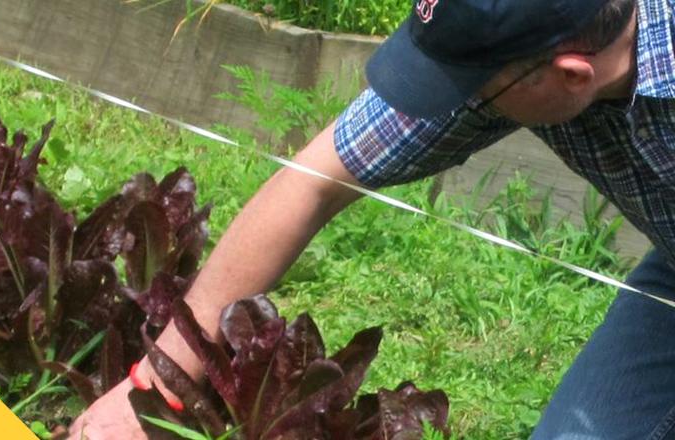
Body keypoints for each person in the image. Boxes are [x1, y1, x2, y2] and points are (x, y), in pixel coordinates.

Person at [69, 0, 675, 437]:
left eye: (471, 86)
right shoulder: (517, 59)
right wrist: (155, 390)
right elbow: (311, 184)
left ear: (571, 75)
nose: (454, 101)